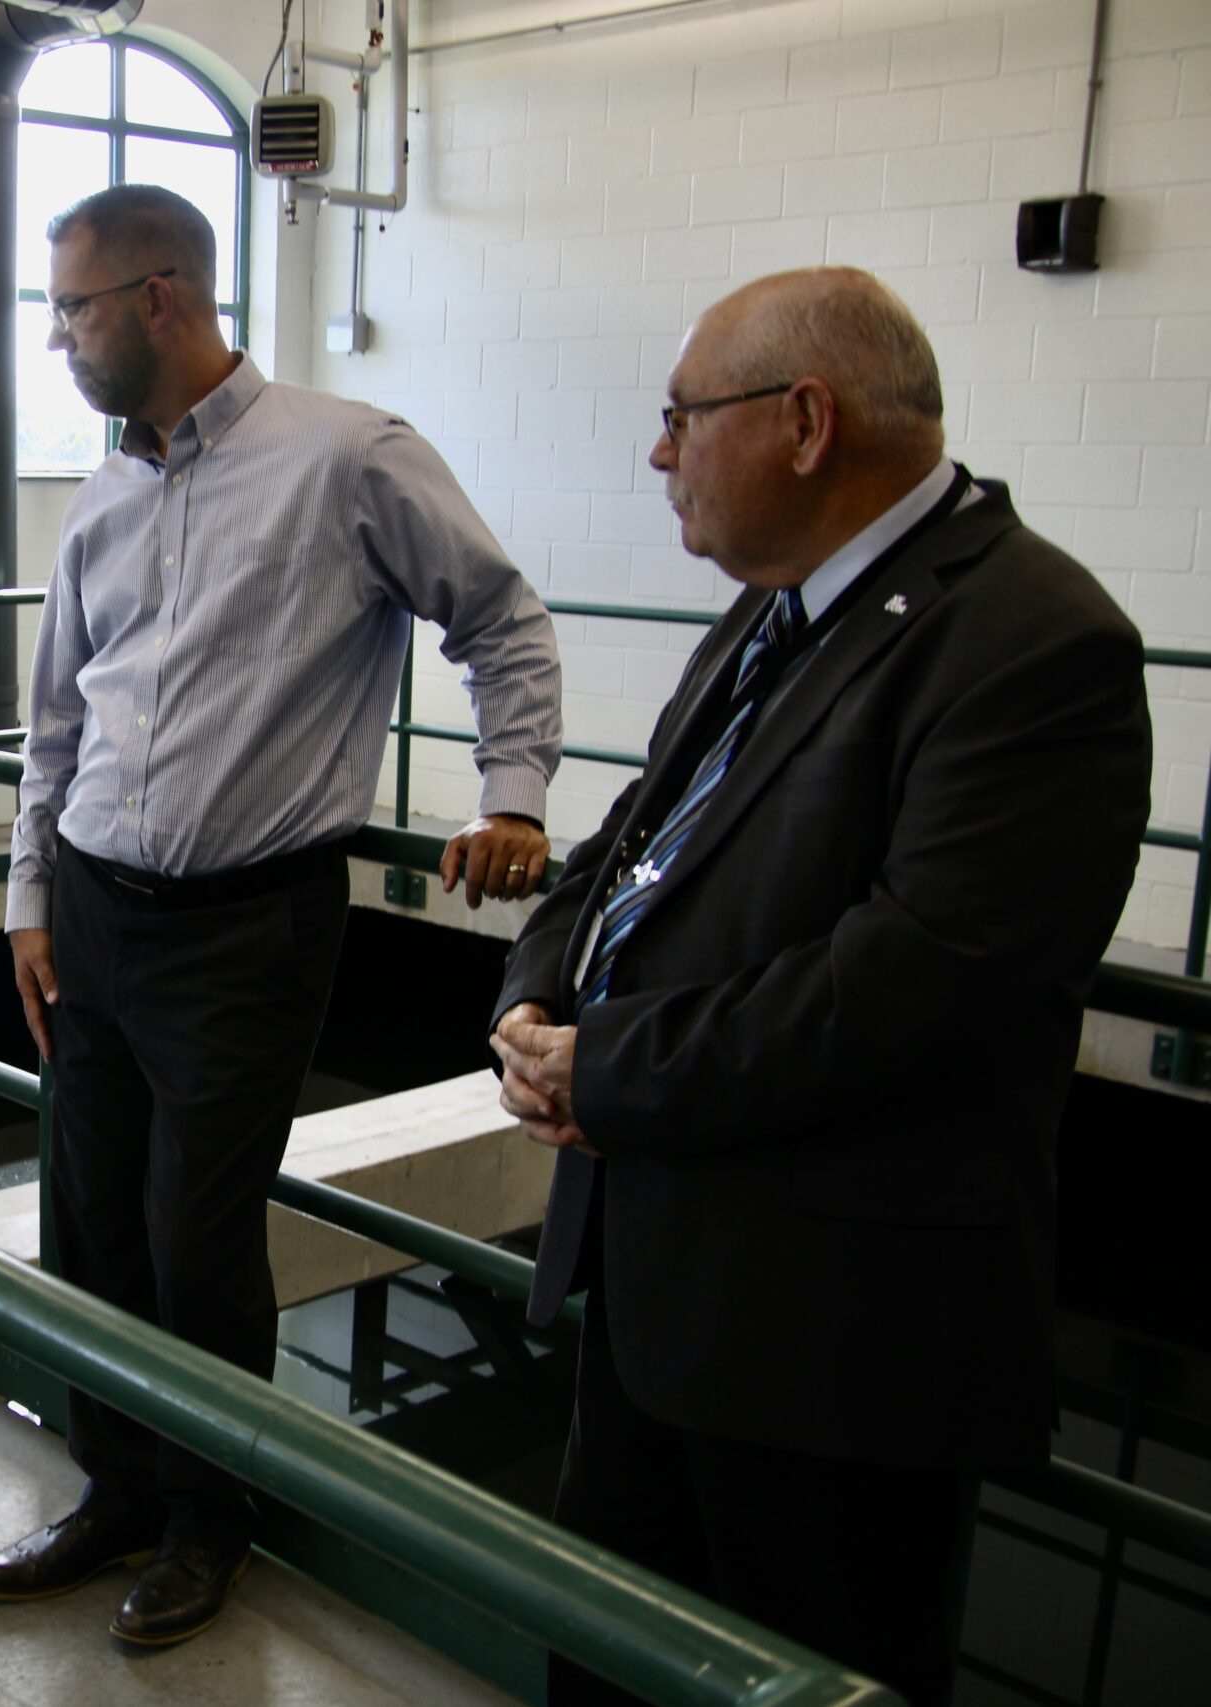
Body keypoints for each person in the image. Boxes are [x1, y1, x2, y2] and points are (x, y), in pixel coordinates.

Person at [489, 268, 1151, 1705]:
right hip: (663, 1291)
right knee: (607, 1660)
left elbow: (921, 978)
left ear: (803, 422)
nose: (660, 453)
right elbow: (632, 838)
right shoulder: (770, 611)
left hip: (834, 1345)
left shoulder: (1035, 640)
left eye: (681, 417)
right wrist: (535, 992)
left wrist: (613, 1069)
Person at [0, 185, 564, 1646]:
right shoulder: (103, 493)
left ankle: (207, 1514)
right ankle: (112, 1484)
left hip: (250, 926)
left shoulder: (347, 457)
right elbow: (57, 723)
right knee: (90, 1223)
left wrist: (516, 793)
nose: (58, 339)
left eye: (73, 308)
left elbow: (499, 617)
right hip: (97, 910)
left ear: (161, 297)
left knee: (195, 1238)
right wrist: (31, 896)